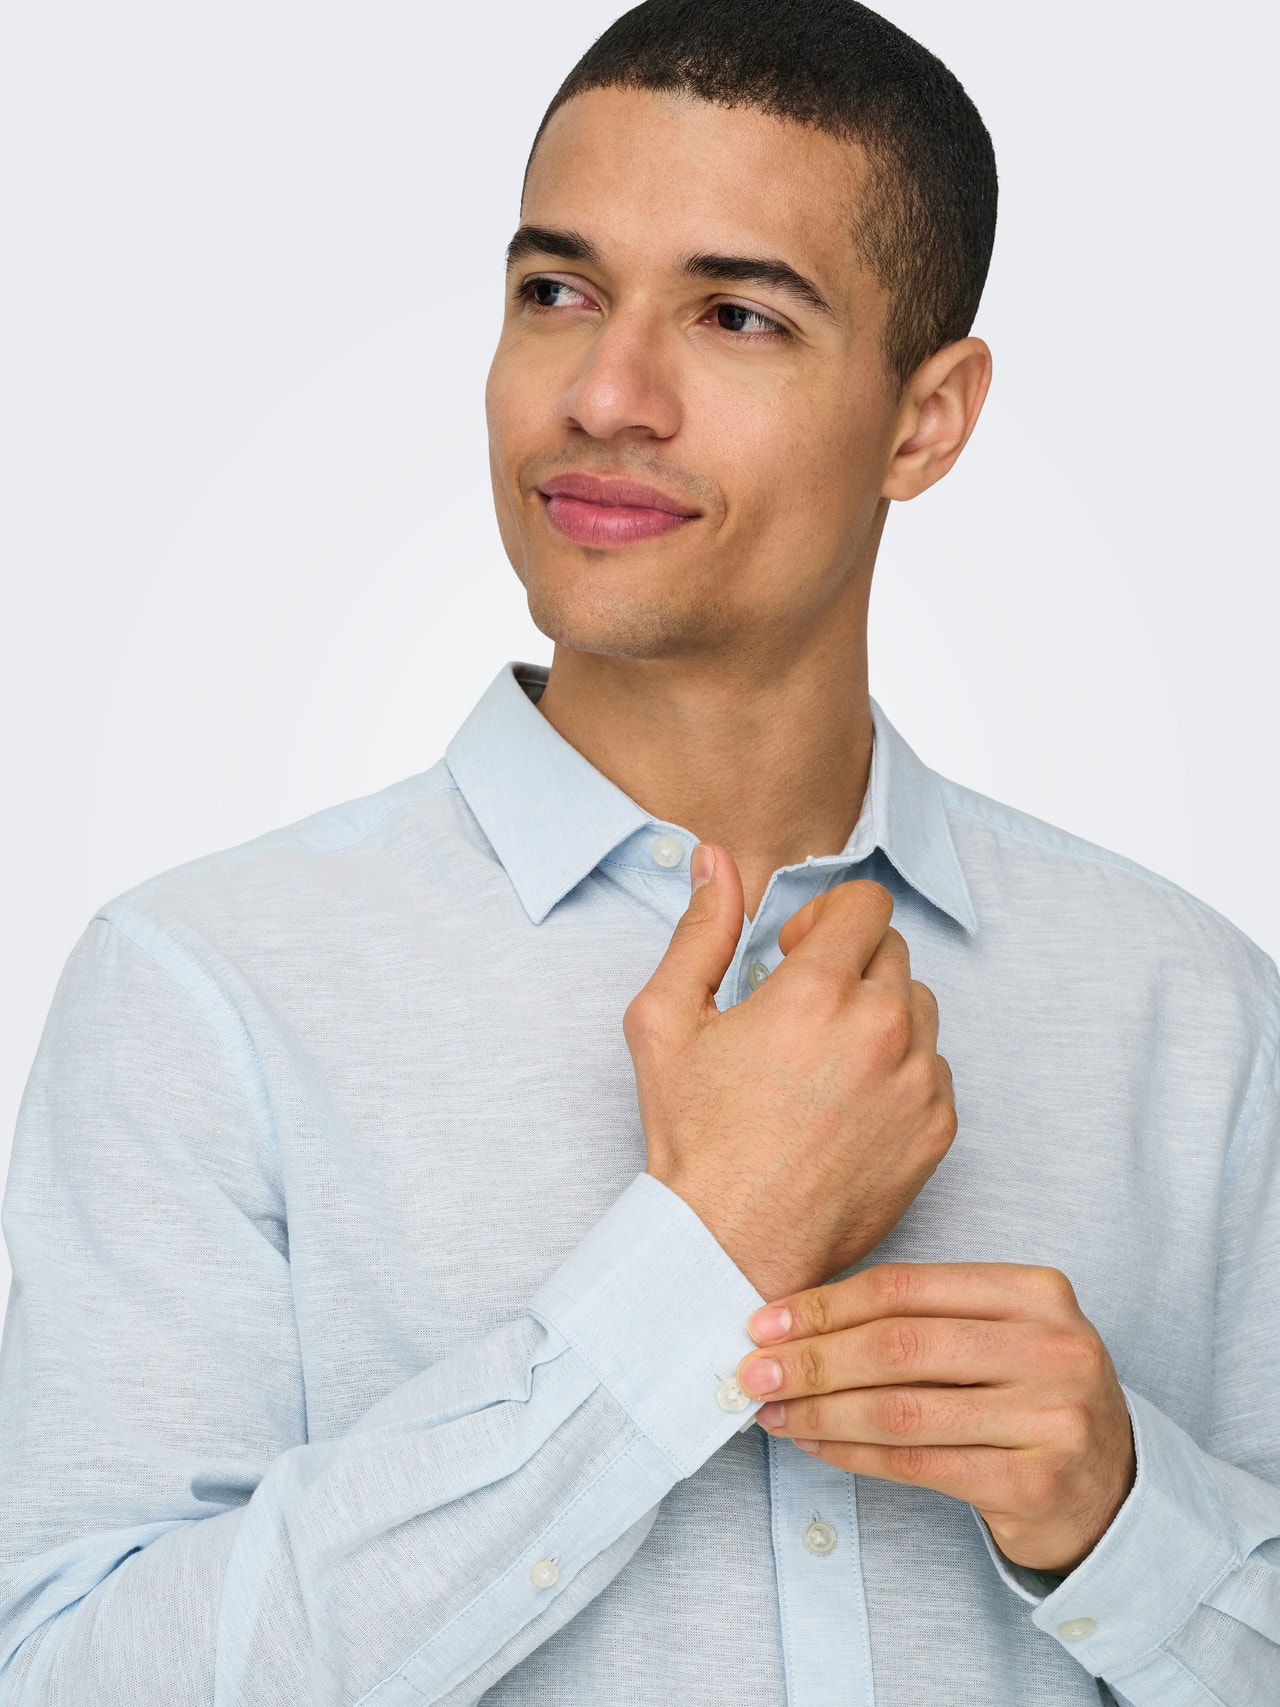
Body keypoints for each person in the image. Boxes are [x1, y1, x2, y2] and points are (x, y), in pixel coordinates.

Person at [1, 0, 1277, 1701]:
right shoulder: (201, 994)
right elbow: (76, 1675)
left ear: (926, 420)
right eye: (559, 293)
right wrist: (696, 1266)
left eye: (736, 315)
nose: (605, 395)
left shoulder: (1194, 1011)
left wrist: (1125, 1521)